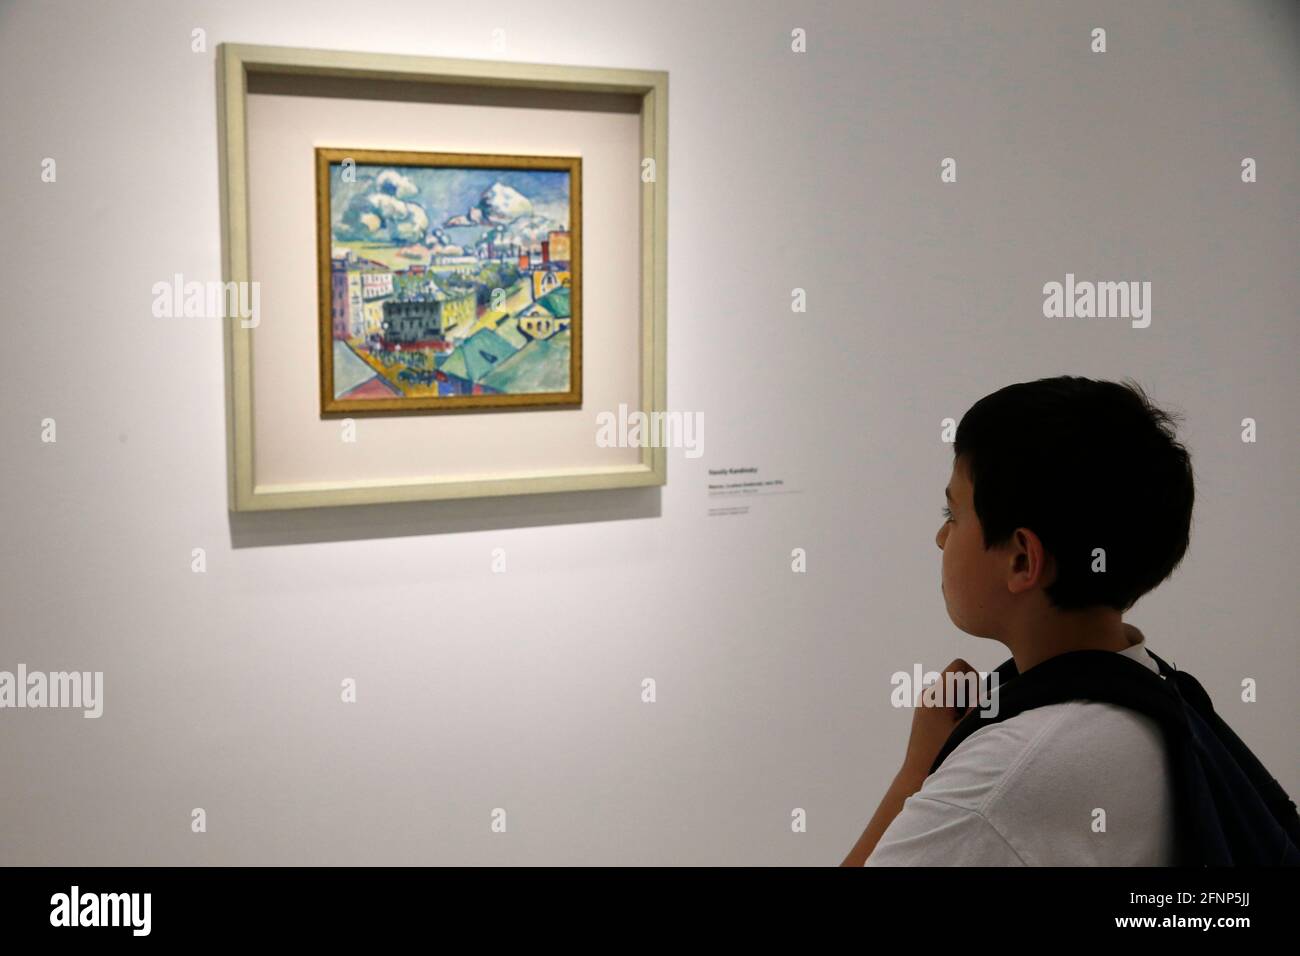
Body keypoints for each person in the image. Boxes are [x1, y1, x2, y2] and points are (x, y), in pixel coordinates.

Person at [842, 376, 1196, 866]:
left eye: (954, 512)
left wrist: (918, 772)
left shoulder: (994, 787)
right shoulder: (1159, 692)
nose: (941, 538)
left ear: (1021, 561)